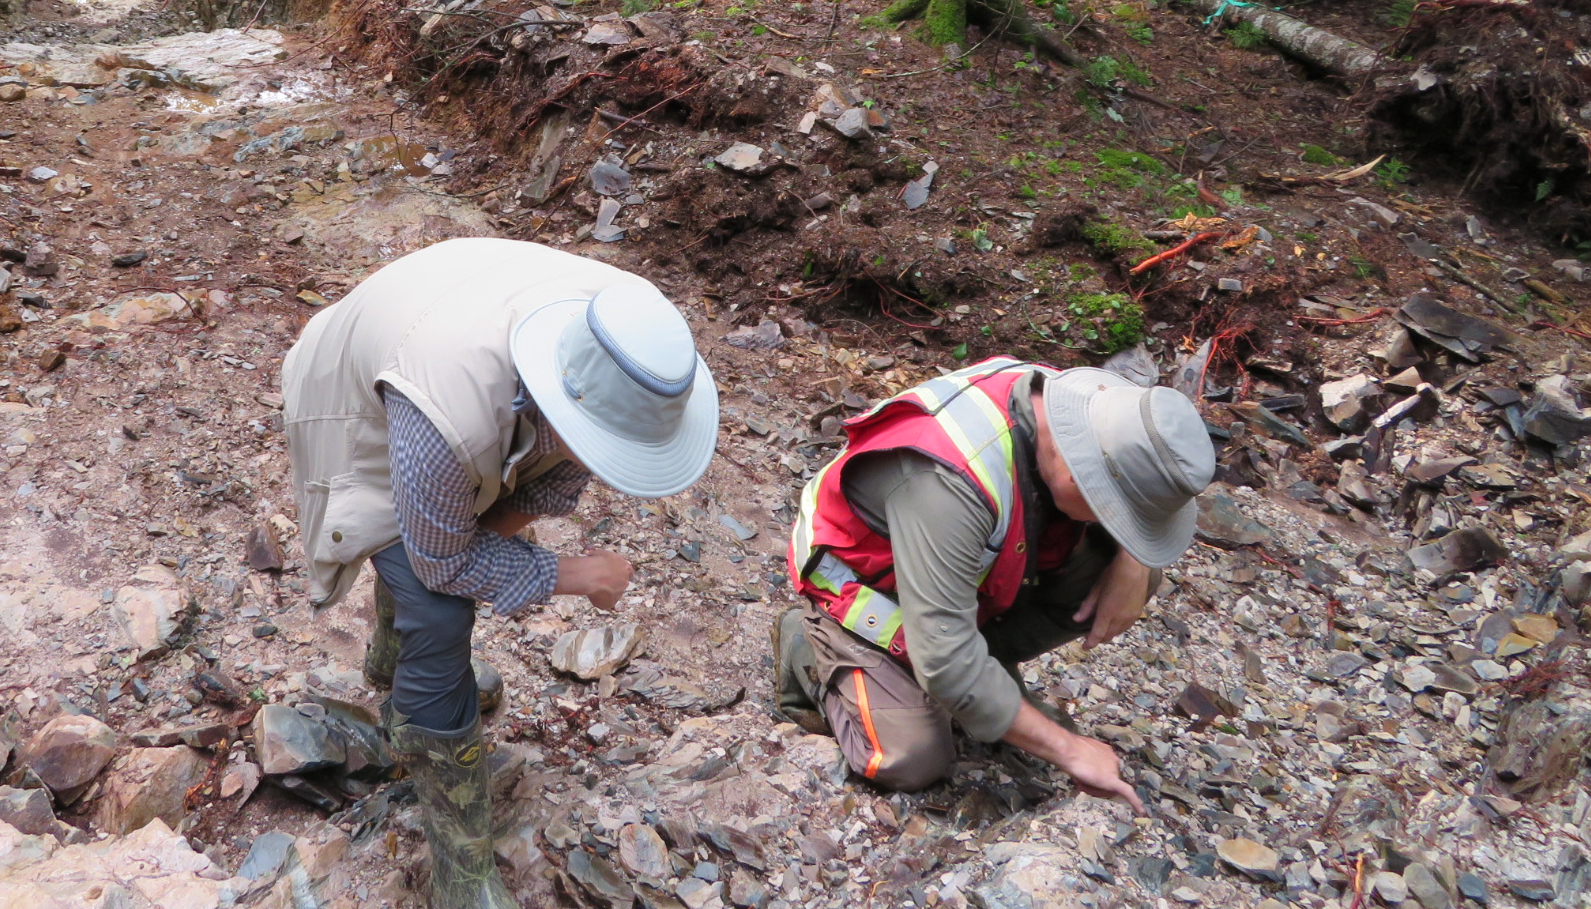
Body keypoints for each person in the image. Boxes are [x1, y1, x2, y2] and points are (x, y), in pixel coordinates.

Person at [282, 236, 718, 909]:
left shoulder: (618, 345)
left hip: (442, 343)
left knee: (449, 548)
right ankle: (461, 873)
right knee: (440, 604)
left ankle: (395, 668)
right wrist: (578, 576)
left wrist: (489, 538)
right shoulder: (445, 414)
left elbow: (548, 478)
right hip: (356, 396)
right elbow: (444, 560)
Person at [774, 355, 1215, 811]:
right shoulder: (948, 483)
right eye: (1117, 512)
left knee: (1118, 573)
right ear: (1073, 476)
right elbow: (945, 662)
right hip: (864, 590)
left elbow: (1124, 496)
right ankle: (806, 644)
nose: (1121, 524)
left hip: (965, 569)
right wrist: (1070, 750)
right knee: (910, 760)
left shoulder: (1081, 409)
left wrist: (1132, 557)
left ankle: (982, 678)